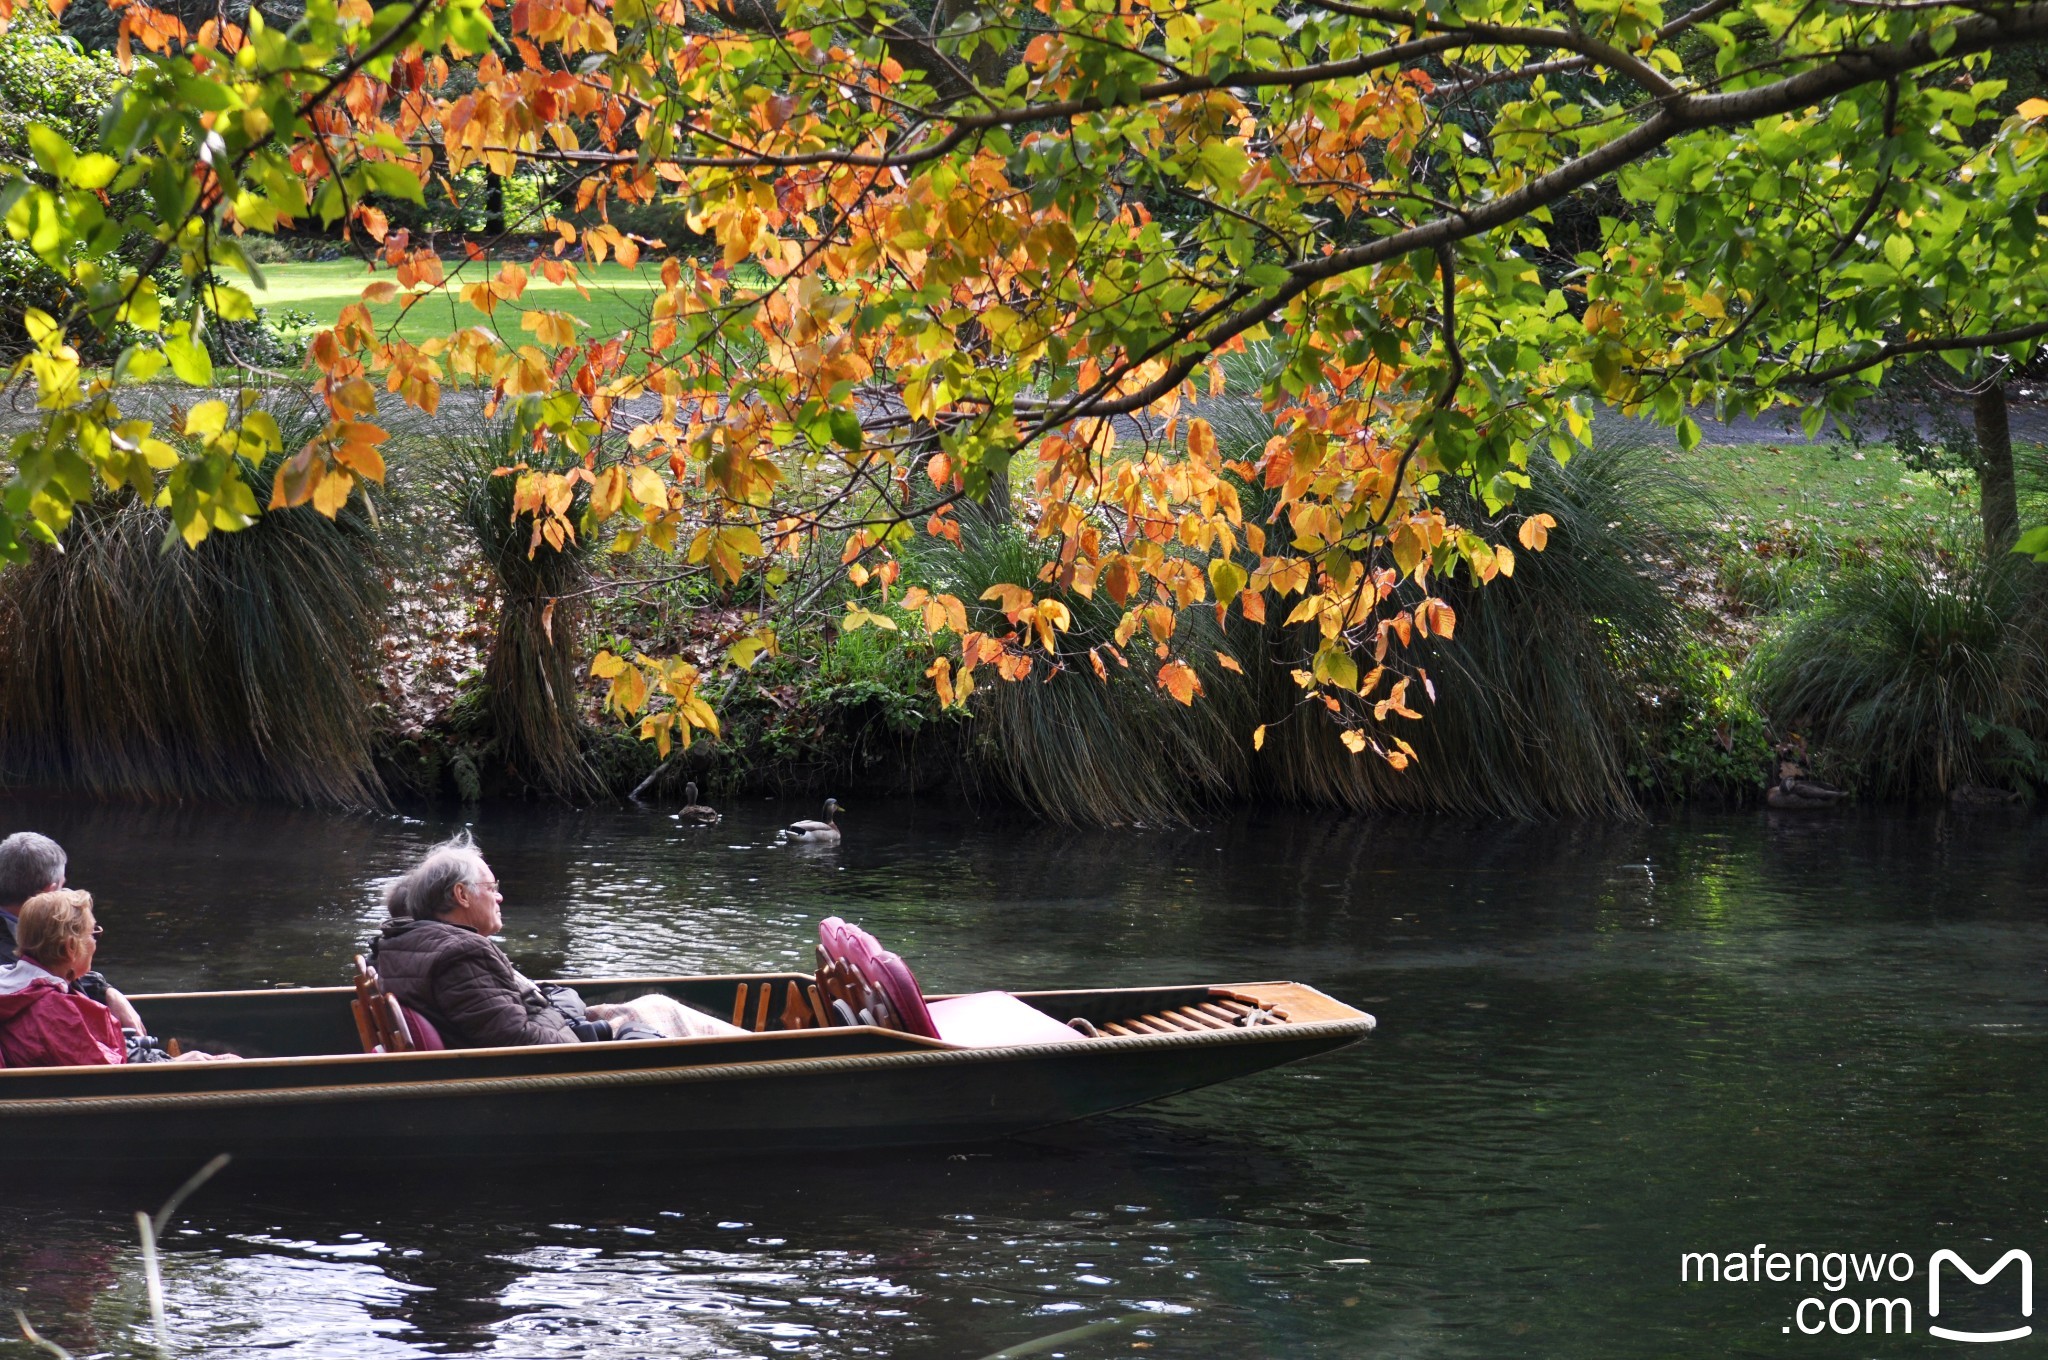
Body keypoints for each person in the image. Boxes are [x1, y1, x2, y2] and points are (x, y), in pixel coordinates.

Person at [370, 834, 743, 1049]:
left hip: (548, 1045)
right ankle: (759, 1054)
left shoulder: (406, 943)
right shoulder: (461, 953)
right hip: (555, 1072)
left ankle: (753, 1045)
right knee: (663, 1014)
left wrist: (559, 1006)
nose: (499, 897)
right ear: (462, 896)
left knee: (656, 1004)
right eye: (492, 888)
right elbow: (516, 1040)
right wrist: (570, 1018)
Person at [0, 891, 233, 1067]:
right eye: (93, 934)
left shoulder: (15, 983)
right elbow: (112, 1077)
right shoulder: (56, 1013)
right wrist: (174, 1064)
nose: (96, 942)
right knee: (229, 1062)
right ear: (71, 948)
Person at [0, 832, 160, 1059]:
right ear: (49, 891)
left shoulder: (22, 963)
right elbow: (100, 1064)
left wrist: (106, 990)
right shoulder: (50, 1005)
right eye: (92, 934)